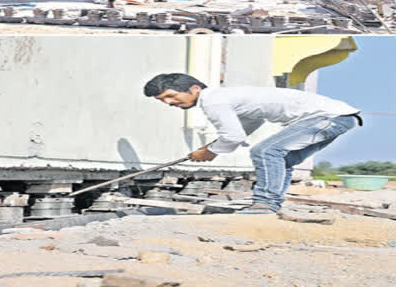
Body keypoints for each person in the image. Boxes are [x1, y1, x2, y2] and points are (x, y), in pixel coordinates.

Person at [143, 73, 362, 214]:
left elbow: (234, 136)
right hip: (340, 117)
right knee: (282, 157)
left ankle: (264, 205)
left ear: (194, 89)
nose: (169, 103)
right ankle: (271, 205)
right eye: (163, 100)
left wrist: (210, 151)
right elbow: (249, 122)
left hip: (327, 118)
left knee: (266, 152)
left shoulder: (212, 100)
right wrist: (213, 147)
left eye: (171, 96)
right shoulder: (224, 96)